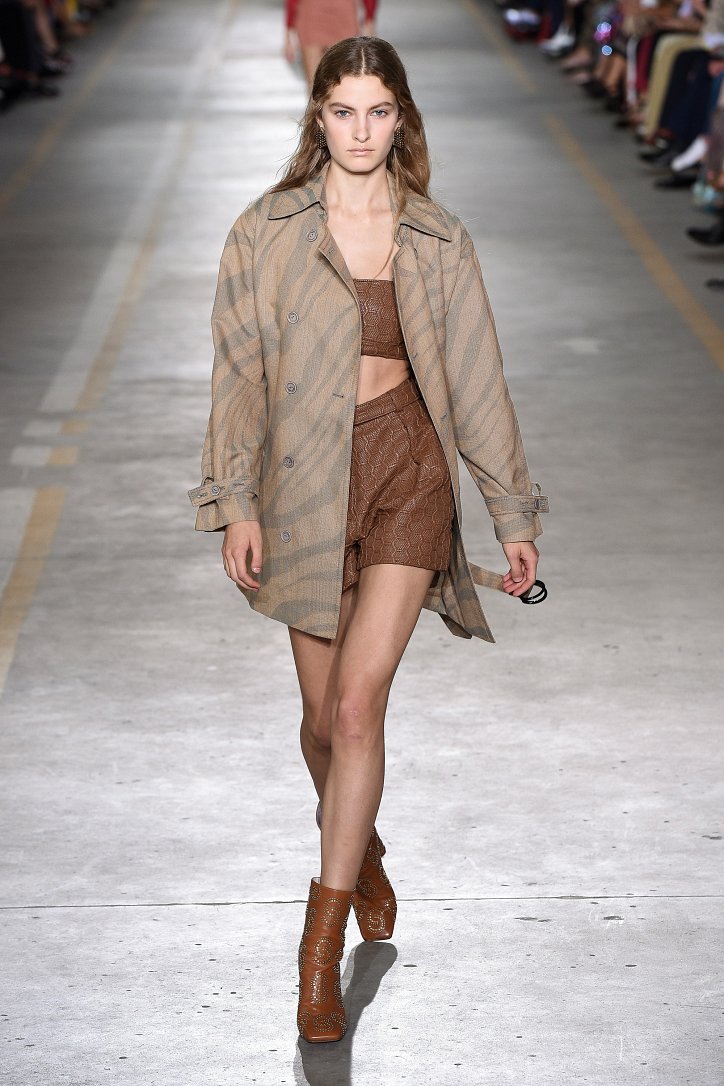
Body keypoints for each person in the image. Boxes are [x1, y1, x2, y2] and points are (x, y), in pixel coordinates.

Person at [189, 36, 548, 1044]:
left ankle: (318, 953)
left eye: (378, 112)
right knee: (319, 724)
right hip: (302, 481)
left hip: (406, 469)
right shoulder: (264, 232)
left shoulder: (435, 237)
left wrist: (511, 514)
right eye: (343, 111)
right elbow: (238, 375)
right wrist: (236, 501)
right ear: (318, 116)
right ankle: (366, 854)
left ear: (401, 119)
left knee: (356, 708)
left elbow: (477, 381)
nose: (360, 131)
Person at [284, 0, 377, 88]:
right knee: (314, 84)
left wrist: (369, 19)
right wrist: (288, 33)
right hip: (311, 12)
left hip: (343, 12)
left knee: (343, 81)